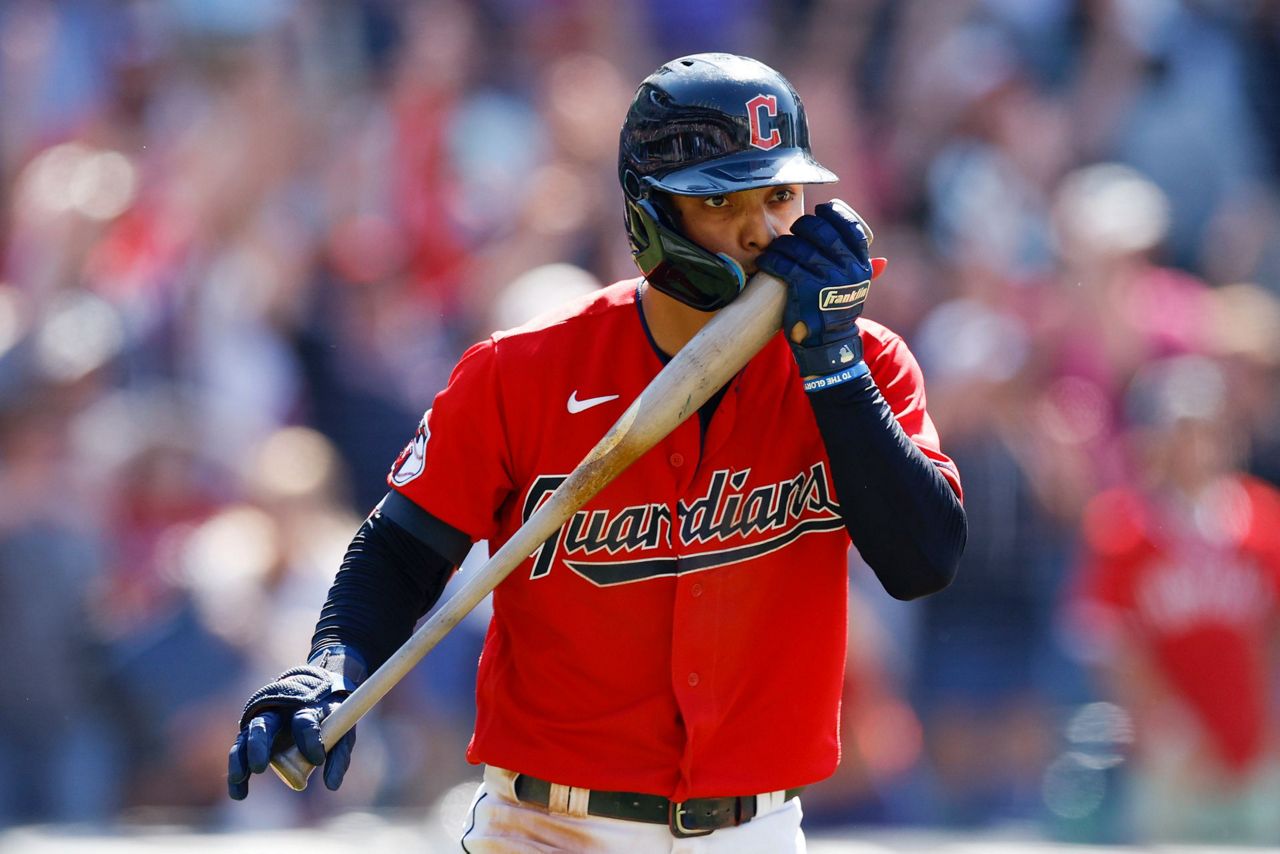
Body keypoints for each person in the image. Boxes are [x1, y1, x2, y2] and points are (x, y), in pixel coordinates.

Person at [227, 52, 967, 851]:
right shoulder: (524, 370)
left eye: (782, 194)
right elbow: (404, 549)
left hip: (752, 827)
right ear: (649, 212)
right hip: (551, 827)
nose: (762, 230)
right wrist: (333, 663)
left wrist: (833, 366)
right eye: (723, 199)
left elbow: (921, 560)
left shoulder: (862, 364)